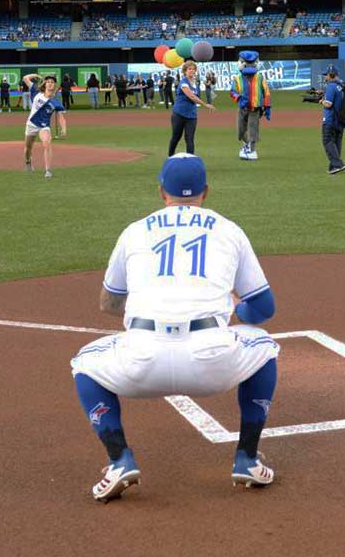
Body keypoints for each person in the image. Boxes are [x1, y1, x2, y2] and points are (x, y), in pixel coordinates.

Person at [70, 152, 280, 502]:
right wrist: (230, 306)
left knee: (84, 363)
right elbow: (263, 308)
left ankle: (119, 459)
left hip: (140, 362)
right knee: (264, 346)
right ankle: (247, 458)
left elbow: (108, 304)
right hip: (212, 361)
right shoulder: (229, 230)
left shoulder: (135, 231)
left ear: (160, 191)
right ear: (206, 192)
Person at [22, 73, 68, 179]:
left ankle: (47, 170)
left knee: (47, 143)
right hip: (31, 124)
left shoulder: (56, 102)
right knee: (28, 148)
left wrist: (64, 128)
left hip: (44, 126)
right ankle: (28, 161)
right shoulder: (36, 92)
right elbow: (25, 78)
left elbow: (61, 117)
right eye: (48, 82)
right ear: (45, 84)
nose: (50, 84)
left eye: (52, 82)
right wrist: (36, 76)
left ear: (55, 85)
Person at [230, 50, 272, 161]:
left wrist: (267, 106)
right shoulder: (237, 78)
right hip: (242, 107)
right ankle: (246, 144)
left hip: (255, 108)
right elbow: (233, 91)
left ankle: (252, 150)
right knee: (240, 130)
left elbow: (266, 91)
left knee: (253, 129)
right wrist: (238, 98)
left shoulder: (260, 77)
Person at [168, 61, 215, 156]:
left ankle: (191, 160)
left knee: (189, 138)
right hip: (179, 114)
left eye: (193, 69)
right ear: (185, 71)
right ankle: (170, 155)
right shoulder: (183, 82)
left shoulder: (196, 85)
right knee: (176, 136)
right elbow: (192, 96)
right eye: (189, 69)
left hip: (192, 115)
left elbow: (197, 97)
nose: (192, 71)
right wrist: (205, 105)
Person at [319, 65, 345, 174]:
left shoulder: (331, 86)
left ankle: (338, 164)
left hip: (330, 119)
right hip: (341, 119)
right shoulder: (342, 84)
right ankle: (334, 167)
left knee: (327, 141)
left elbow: (329, 104)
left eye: (326, 75)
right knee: (336, 143)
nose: (325, 77)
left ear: (331, 75)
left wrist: (321, 101)